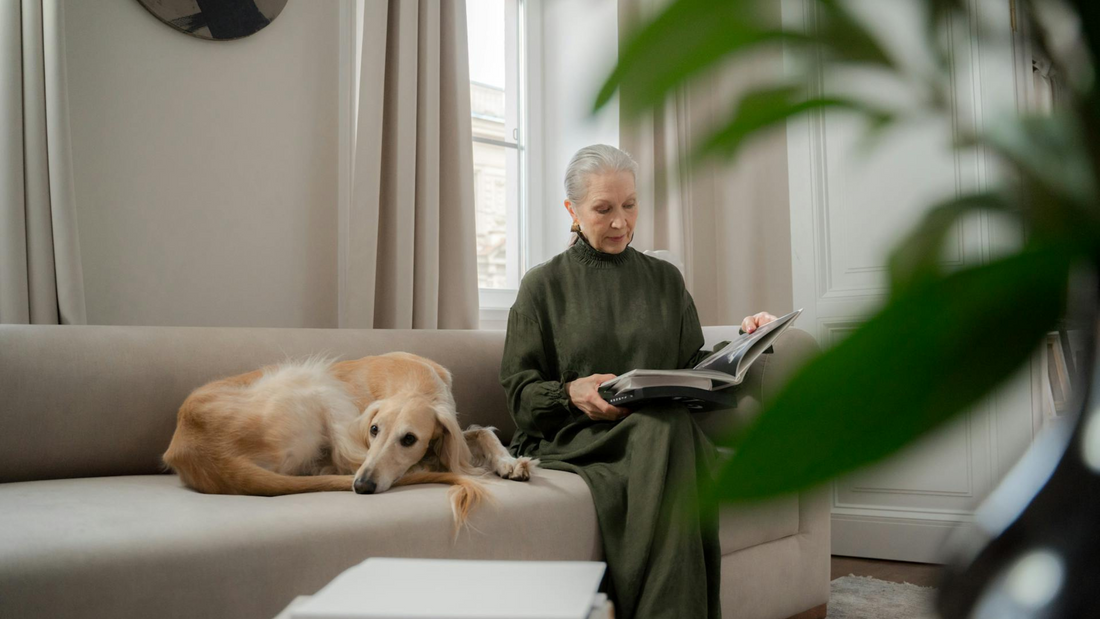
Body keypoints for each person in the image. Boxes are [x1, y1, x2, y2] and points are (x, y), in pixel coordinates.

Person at [499, 144, 777, 619]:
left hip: (657, 430)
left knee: (665, 426)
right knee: (668, 430)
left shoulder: (665, 279)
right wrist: (571, 393)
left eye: (630, 205)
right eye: (603, 209)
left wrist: (748, 341)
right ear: (571, 210)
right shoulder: (542, 286)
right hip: (578, 436)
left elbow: (693, 368)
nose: (620, 222)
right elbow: (520, 395)